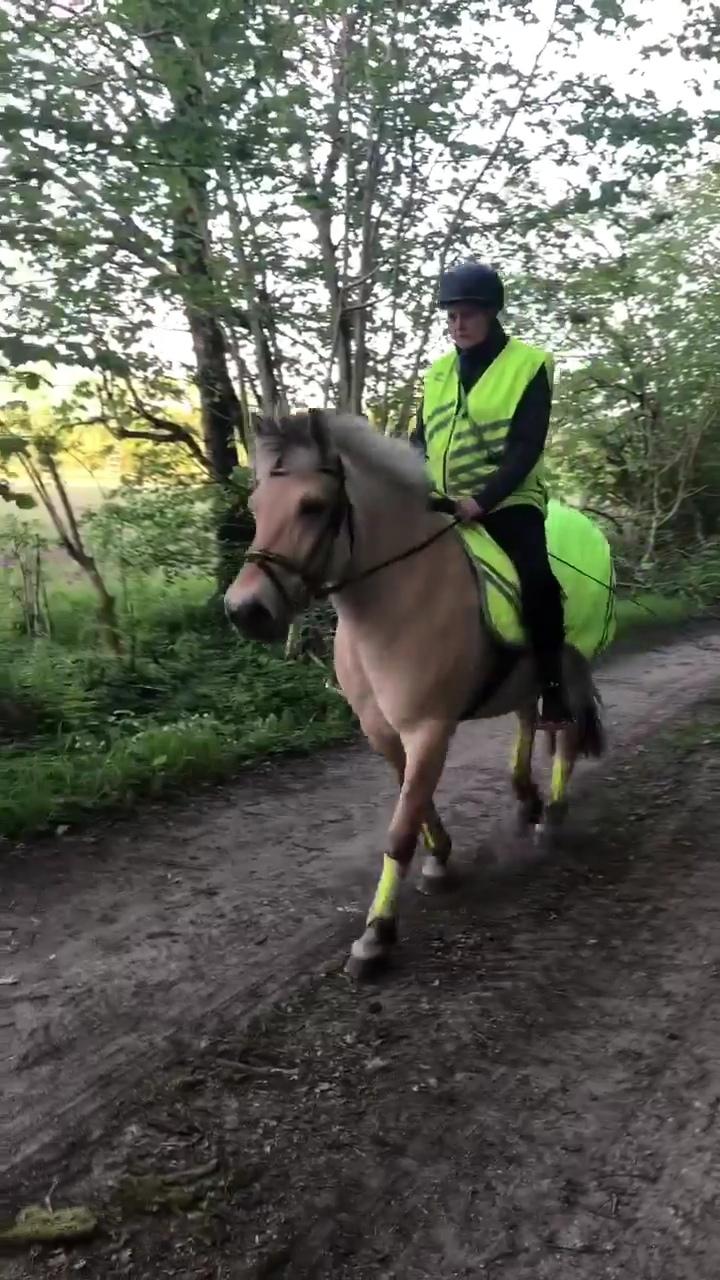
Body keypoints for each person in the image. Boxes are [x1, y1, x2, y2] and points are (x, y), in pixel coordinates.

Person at [412, 260, 571, 728]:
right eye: (451, 315)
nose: (458, 324)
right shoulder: (437, 373)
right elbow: (419, 441)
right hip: (442, 503)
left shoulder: (528, 365)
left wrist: (480, 502)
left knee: (537, 582)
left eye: (469, 314)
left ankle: (554, 690)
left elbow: (525, 448)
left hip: (508, 504)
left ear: (492, 313)